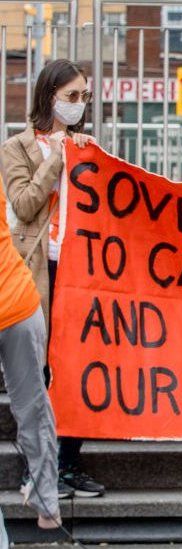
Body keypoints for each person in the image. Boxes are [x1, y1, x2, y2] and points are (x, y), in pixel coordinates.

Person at [1, 59, 105, 497]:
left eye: (85, 97)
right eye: (72, 97)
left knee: (78, 366)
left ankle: (69, 464)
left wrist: (88, 157)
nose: (79, 105)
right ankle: (38, 469)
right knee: (39, 371)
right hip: (39, 270)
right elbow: (24, 205)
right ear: (49, 98)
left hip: (82, 268)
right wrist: (57, 158)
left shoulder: (87, 145)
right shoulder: (17, 148)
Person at [0, 176, 62, 533]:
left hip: (17, 309)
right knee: (34, 408)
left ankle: (47, 504)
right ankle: (48, 506)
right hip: (22, 305)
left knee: (33, 409)